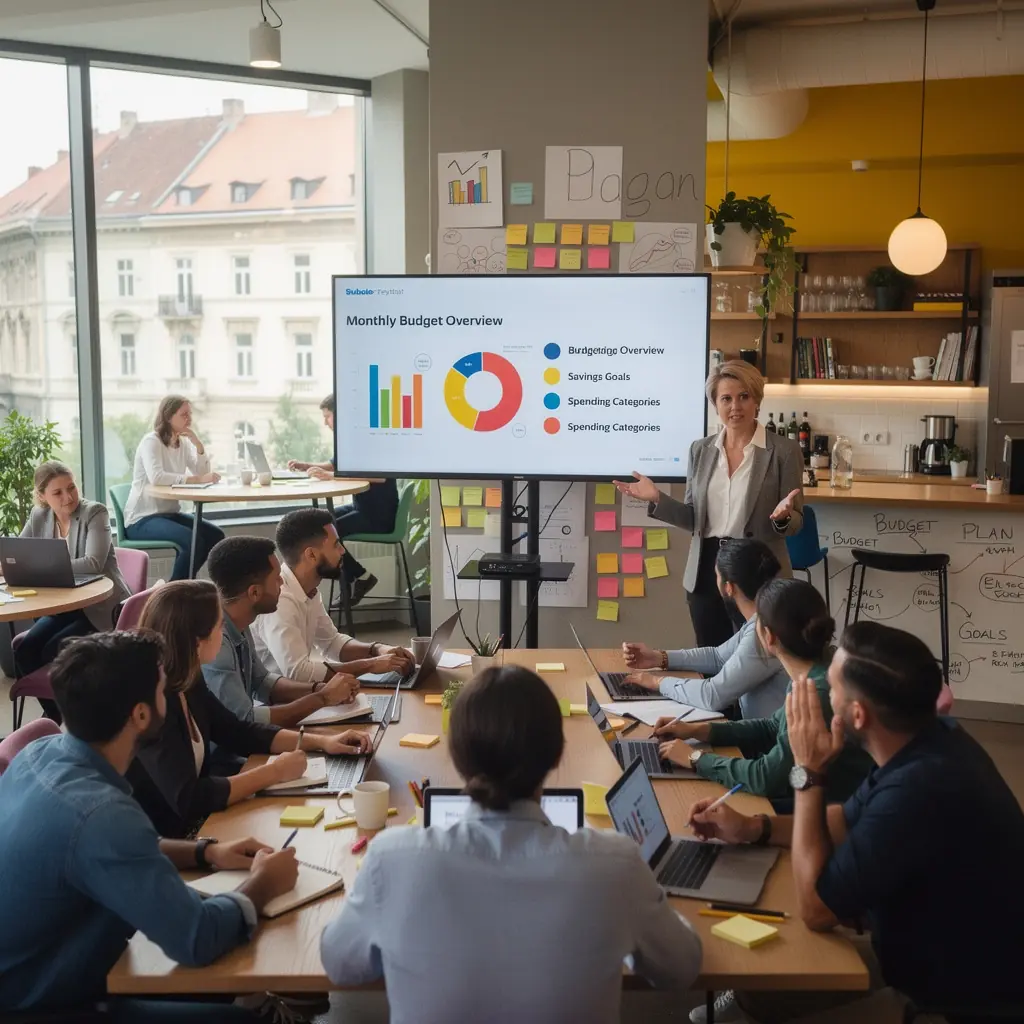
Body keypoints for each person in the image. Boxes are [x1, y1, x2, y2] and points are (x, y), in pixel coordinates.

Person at [683, 621, 1024, 1024]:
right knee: (758, 990)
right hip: (928, 948)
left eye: (831, 687)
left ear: (857, 716)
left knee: (779, 958)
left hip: (957, 1000)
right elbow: (843, 820)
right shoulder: (931, 740)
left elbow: (816, 908)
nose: (823, 695)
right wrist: (754, 827)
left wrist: (808, 772)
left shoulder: (917, 789)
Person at [320, 665, 702, 1024]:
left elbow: (340, 964)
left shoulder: (393, 860)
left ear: (456, 756)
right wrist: (635, 915)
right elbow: (681, 968)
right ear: (557, 755)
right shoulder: (615, 865)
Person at [0, 630, 299, 1022]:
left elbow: (100, 850)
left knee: (221, 977)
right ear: (140, 715)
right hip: (42, 1003)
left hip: (37, 966)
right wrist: (264, 883)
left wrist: (205, 852)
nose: (171, 693)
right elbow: (197, 938)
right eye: (162, 689)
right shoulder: (101, 813)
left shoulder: (39, 754)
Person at [126, 580, 372, 838]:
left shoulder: (187, 679)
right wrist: (274, 772)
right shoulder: (155, 703)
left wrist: (323, 742)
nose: (224, 631)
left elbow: (237, 731)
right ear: (197, 642)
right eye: (219, 625)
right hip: (170, 841)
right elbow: (190, 798)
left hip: (196, 826)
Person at [613, 360, 803, 649]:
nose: (735, 406)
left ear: (757, 400)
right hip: (706, 570)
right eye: (726, 398)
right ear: (715, 404)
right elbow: (694, 519)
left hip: (757, 569)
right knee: (709, 655)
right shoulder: (700, 450)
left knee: (758, 659)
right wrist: (657, 498)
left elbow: (796, 521)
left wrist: (783, 518)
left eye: (744, 396)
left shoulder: (784, 451)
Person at [654, 578, 873, 803]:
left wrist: (695, 758)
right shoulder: (813, 671)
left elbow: (766, 778)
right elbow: (771, 727)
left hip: (824, 809)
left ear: (769, 636)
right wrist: (697, 730)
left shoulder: (815, 692)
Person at [203, 535, 363, 729]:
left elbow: (262, 682)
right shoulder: (217, 643)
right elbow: (245, 720)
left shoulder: (238, 624)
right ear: (254, 593)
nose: (281, 582)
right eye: (276, 578)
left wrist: (319, 689)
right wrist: (323, 698)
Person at [14, 460, 131, 719]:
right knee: (24, 651)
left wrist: (39, 567)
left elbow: (93, 563)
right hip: (65, 606)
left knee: (52, 651)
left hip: (100, 606)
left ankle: (72, 718)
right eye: (57, 492)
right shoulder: (39, 516)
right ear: (42, 496)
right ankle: (57, 716)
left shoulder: (95, 513)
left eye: (71, 488)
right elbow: (21, 554)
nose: (68, 497)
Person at [622, 538, 787, 719]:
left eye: (716, 575)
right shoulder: (765, 617)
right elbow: (718, 657)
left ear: (728, 587)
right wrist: (659, 658)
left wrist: (657, 682)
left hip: (771, 736)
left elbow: (713, 696)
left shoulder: (763, 631)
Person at [252, 508, 414, 685]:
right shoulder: (280, 600)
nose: (343, 551)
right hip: (279, 699)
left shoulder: (308, 589)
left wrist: (378, 649)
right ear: (311, 554)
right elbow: (298, 672)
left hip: (302, 692)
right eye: (336, 545)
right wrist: (371, 665)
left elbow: (331, 643)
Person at [288, 393, 399, 605]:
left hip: (378, 516)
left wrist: (331, 476)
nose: (325, 422)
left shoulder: (370, 438)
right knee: (318, 523)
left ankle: (357, 577)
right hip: (362, 509)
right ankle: (358, 577)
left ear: (340, 415)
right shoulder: (351, 439)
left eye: (327, 416)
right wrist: (306, 465)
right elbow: (334, 466)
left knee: (326, 532)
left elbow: (380, 476)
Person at [123, 395, 225, 580]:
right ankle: (175, 590)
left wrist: (198, 445)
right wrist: (196, 479)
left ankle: (183, 585)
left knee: (215, 535)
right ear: (169, 416)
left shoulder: (182, 443)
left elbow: (202, 472)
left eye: (190, 414)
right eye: (184, 414)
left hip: (169, 514)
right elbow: (157, 477)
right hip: (141, 519)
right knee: (192, 540)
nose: (189, 419)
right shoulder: (151, 441)